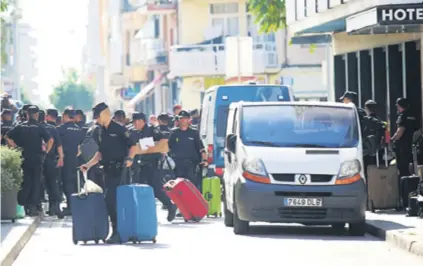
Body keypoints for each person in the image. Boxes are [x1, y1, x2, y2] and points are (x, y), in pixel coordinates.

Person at [79, 102, 138, 244]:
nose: (96, 120)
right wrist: (88, 165)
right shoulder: (99, 131)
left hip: (121, 170)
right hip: (107, 171)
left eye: (98, 117)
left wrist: (130, 158)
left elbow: (133, 146)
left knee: (114, 200)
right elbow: (100, 153)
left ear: (105, 114)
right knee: (110, 201)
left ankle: (119, 232)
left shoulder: (119, 129)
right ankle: (118, 231)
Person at [4, 105, 54, 216]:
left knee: (25, 182)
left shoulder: (21, 126)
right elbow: (50, 140)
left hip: (24, 157)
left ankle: (23, 204)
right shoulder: (39, 127)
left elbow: (7, 136)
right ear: (36, 115)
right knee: (36, 182)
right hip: (37, 158)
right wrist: (46, 152)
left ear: (27, 114)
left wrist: (15, 147)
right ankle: (33, 207)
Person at [129, 112, 176, 220]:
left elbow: (164, 140)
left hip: (152, 163)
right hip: (138, 165)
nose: (135, 124)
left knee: (155, 188)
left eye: (137, 121)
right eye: (134, 121)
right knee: (138, 188)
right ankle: (142, 214)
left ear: (143, 121)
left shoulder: (152, 130)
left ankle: (170, 205)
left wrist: (145, 145)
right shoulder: (132, 131)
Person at [168, 110, 207, 190]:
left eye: (185, 118)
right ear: (178, 120)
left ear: (189, 119)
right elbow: (168, 147)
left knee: (191, 185)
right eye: (181, 118)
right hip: (177, 163)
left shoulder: (194, 132)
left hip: (191, 163)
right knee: (178, 185)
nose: (183, 120)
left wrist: (205, 159)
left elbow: (201, 147)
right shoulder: (174, 132)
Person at [57, 108, 85, 216]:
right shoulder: (79, 129)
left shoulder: (61, 129)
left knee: (66, 183)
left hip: (64, 159)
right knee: (75, 183)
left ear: (65, 116)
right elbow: (82, 145)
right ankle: (75, 205)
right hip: (75, 159)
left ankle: (70, 207)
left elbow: (57, 143)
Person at [39, 110, 64, 217]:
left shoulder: (37, 128)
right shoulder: (52, 128)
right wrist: (61, 157)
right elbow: (59, 144)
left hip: (40, 159)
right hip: (52, 159)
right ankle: (55, 206)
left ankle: (53, 206)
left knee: (45, 185)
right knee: (52, 183)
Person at [391, 98, 418, 177]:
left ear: (399, 106)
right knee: (411, 165)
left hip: (402, 147)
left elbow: (400, 131)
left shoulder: (402, 116)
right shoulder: (414, 115)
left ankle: (404, 184)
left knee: (402, 168)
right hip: (412, 145)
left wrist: (392, 139)